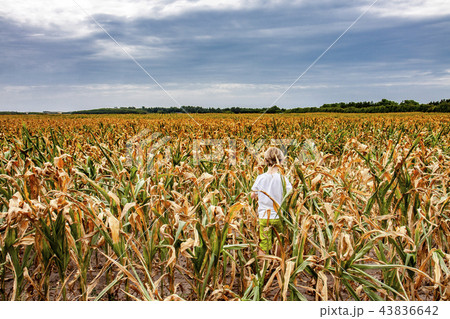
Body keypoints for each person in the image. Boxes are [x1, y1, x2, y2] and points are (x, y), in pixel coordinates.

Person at [251, 147, 292, 255]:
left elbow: (252, 195)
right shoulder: (283, 179)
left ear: (265, 161)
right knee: (279, 241)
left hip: (264, 217)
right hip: (279, 216)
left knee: (264, 243)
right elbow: (291, 192)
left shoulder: (261, 178)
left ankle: (264, 267)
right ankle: (278, 265)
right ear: (281, 162)